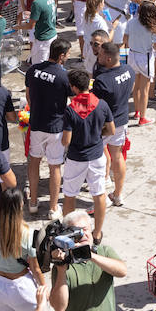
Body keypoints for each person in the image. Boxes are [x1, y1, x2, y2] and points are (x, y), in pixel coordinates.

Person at [61, 67, 115, 242]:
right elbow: (111, 130)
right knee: (99, 194)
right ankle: (97, 233)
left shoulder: (70, 110)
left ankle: (69, 232)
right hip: (97, 155)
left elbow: (66, 141)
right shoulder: (102, 104)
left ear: (74, 87)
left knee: (70, 195)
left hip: (76, 158)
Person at [25, 37, 72, 218]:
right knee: (55, 167)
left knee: (34, 162)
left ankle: (33, 203)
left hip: (36, 124)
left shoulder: (33, 70)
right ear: (61, 56)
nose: (68, 58)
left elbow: (28, 96)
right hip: (55, 127)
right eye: (67, 55)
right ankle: (53, 208)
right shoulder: (63, 76)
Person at [91, 41, 134, 207]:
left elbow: (95, 105)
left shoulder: (102, 80)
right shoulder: (129, 71)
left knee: (96, 157)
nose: (98, 56)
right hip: (122, 121)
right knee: (117, 156)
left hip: (104, 125)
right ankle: (117, 194)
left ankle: (100, 195)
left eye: (100, 55)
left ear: (108, 59)